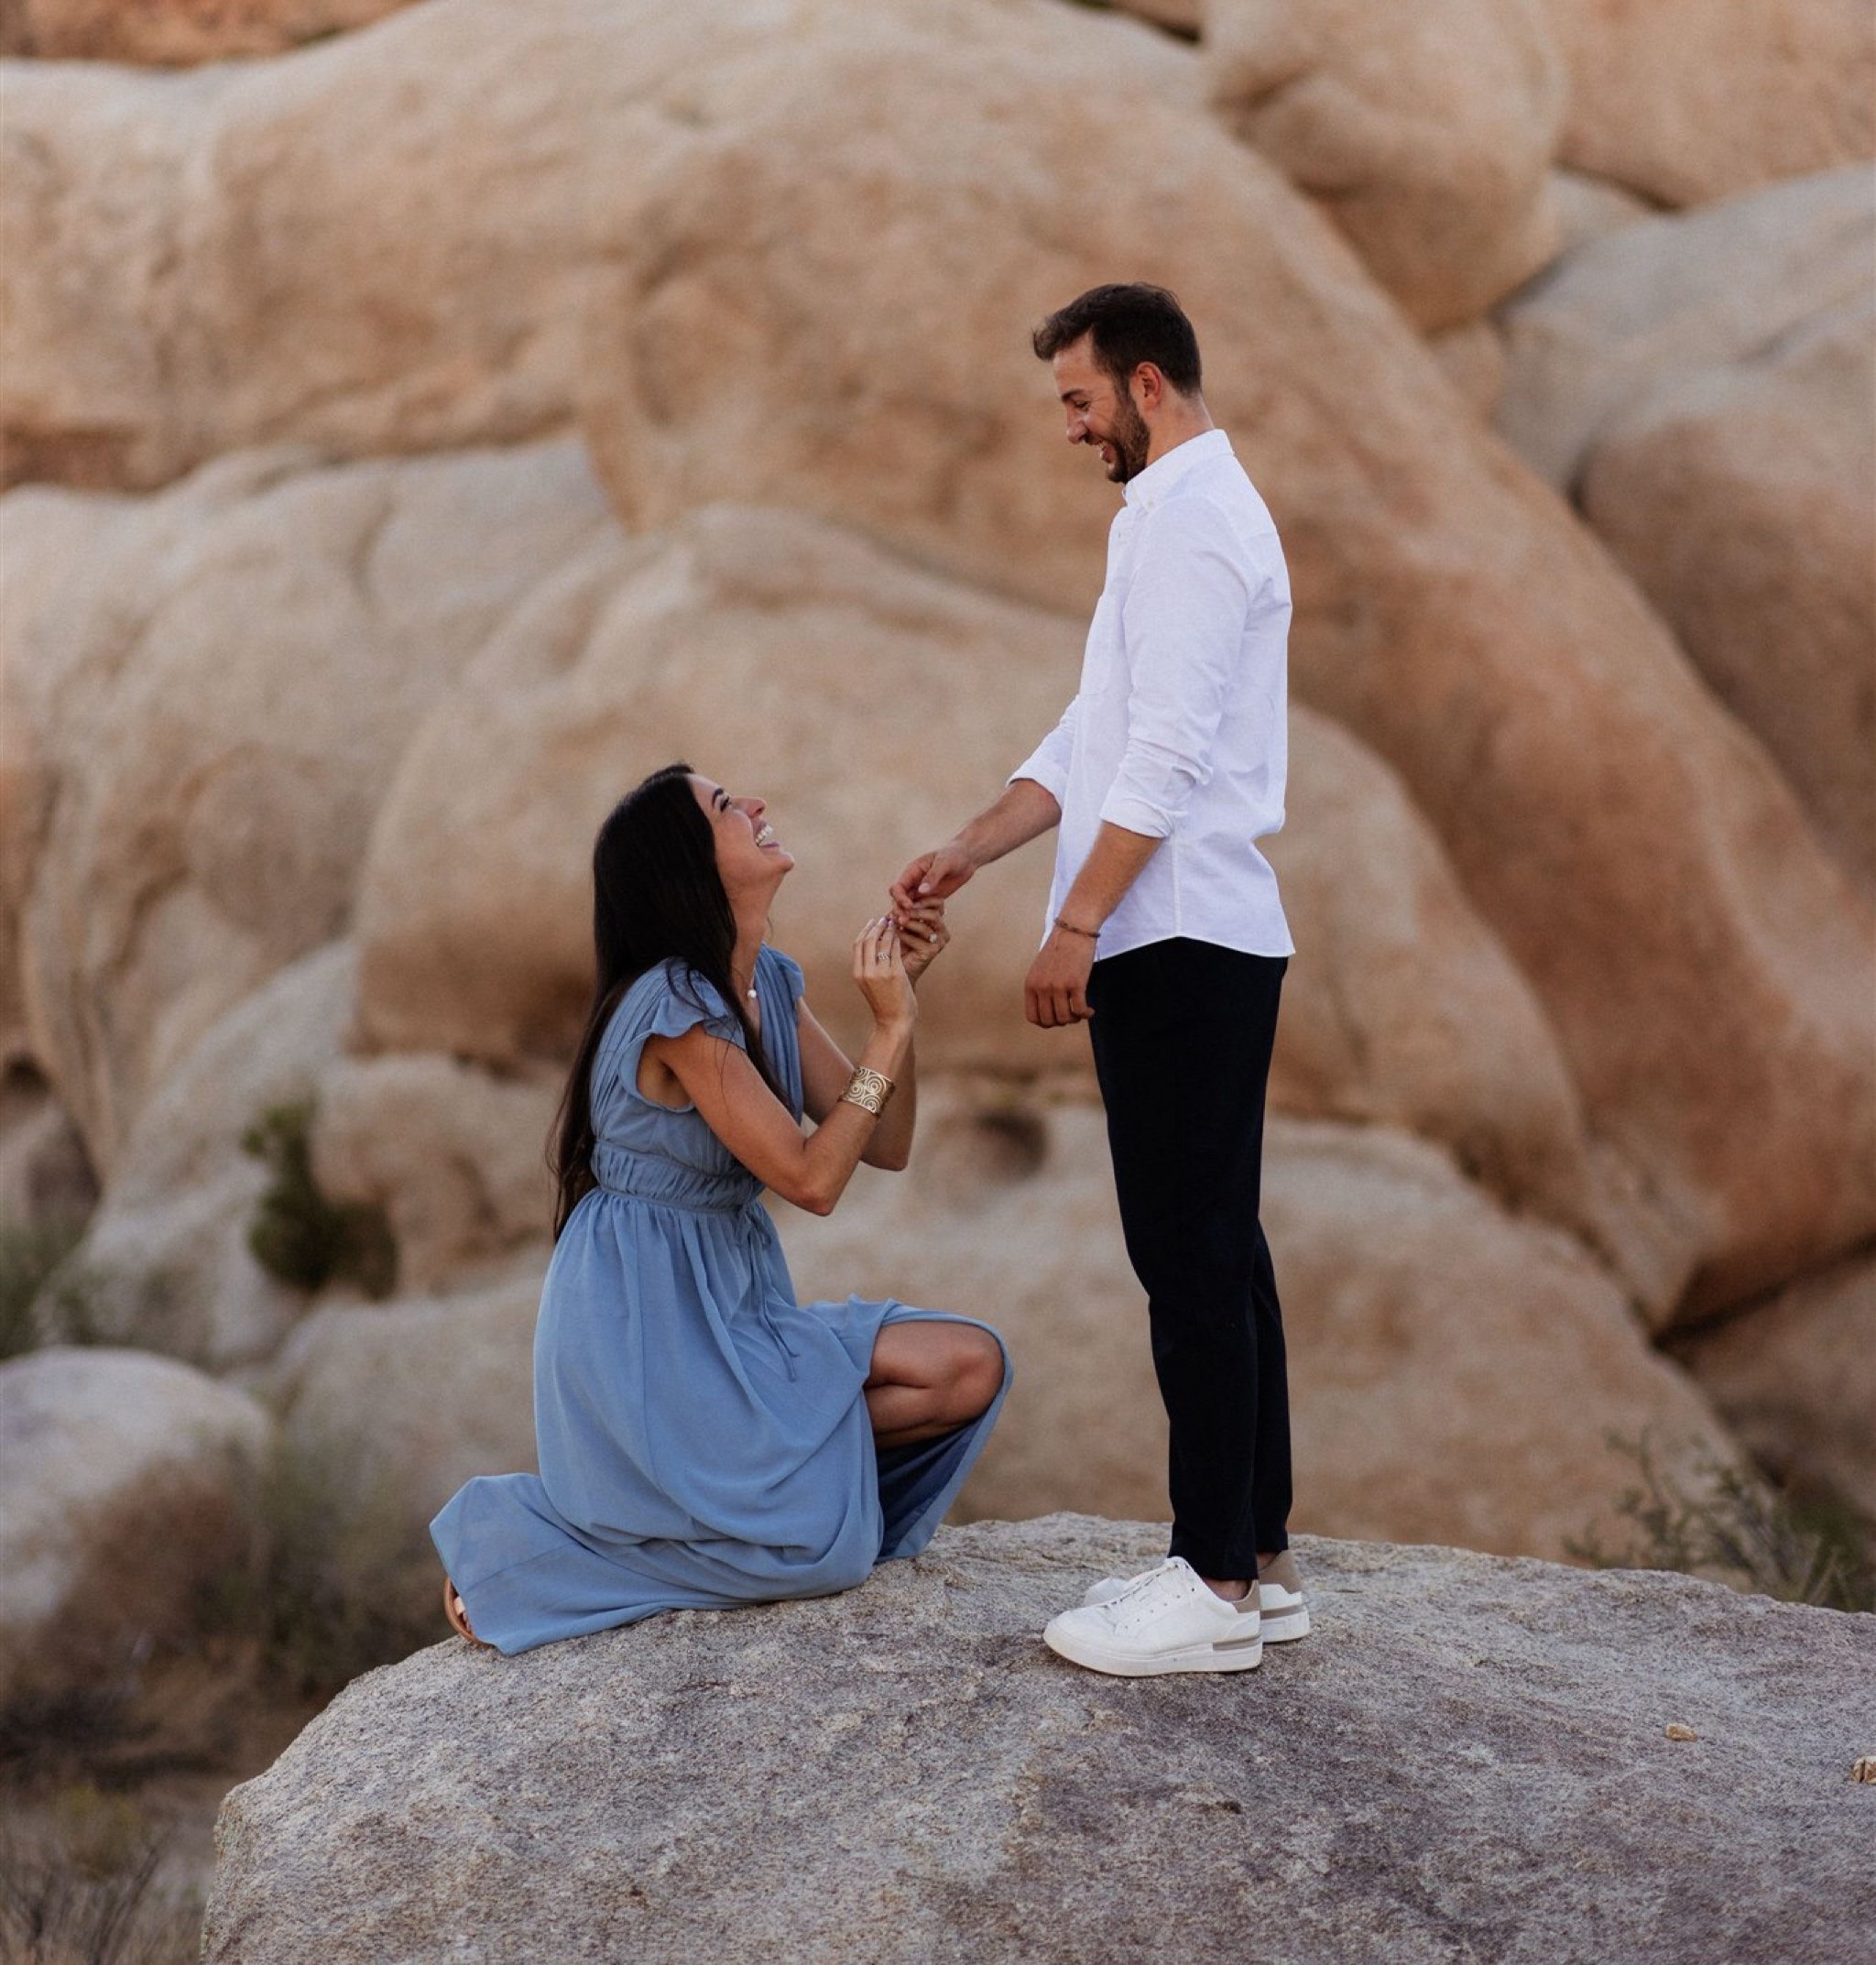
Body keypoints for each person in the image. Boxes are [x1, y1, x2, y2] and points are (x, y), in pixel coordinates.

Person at [892, 283, 1306, 1677]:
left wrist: (1073, 925)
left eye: (1078, 401)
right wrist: (970, 847)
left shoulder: (1194, 522)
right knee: (1219, 1244)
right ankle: (1259, 1557)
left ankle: (1213, 1582)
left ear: (1144, 384)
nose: (1071, 429)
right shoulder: (1166, 520)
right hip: (1188, 928)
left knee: (1188, 1255)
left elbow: (1172, 754)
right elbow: (1096, 732)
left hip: (1180, 932)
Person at [434, 762, 1009, 1654]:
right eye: (724, 807)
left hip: (734, 1297)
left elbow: (882, 1144)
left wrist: (905, 1007)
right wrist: (885, 1032)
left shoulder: (765, 982)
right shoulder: (673, 1008)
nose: (756, 807)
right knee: (820, 1554)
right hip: (646, 1318)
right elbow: (812, 1183)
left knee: (966, 1370)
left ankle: (722, 1496)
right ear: (687, 865)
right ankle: (530, 1545)